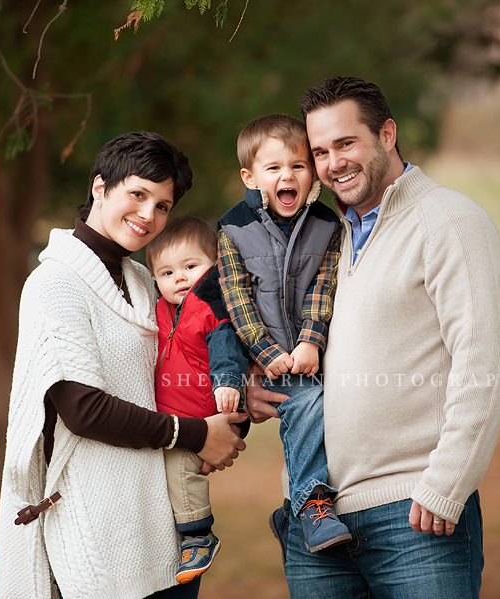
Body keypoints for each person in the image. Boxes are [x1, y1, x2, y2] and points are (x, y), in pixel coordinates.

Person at [248, 78, 500, 598]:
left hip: (414, 516)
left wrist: (447, 484)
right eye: (320, 151)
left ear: (387, 134)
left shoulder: (449, 221)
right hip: (314, 521)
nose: (333, 163)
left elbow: (483, 361)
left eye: (346, 143)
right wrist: (260, 385)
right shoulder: (320, 236)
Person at [0, 132, 247, 599]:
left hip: (162, 534)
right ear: (100, 188)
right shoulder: (56, 284)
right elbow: (83, 410)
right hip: (99, 534)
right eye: (138, 194)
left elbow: (195, 355)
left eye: (163, 205)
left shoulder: (146, 281)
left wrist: (243, 404)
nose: (149, 215)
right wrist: (196, 434)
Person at [216, 114, 349, 553]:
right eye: (273, 169)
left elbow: (323, 286)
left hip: (308, 354)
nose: (286, 176)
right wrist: (266, 351)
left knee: (316, 408)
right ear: (250, 177)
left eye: (297, 165)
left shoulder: (328, 227)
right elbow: (235, 297)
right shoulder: (233, 228)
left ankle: (296, 511)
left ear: (311, 171)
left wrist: (311, 339)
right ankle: (311, 505)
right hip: (262, 354)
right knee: (306, 402)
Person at [145, 216, 250, 584]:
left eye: (191, 266)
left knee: (179, 468)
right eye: (167, 272)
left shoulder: (210, 308)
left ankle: (198, 535)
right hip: (175, 416)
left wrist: (227, 382)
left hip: (208, 412)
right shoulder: (159, 310)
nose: (180, 278)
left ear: (214, 266)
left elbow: (226, 348)